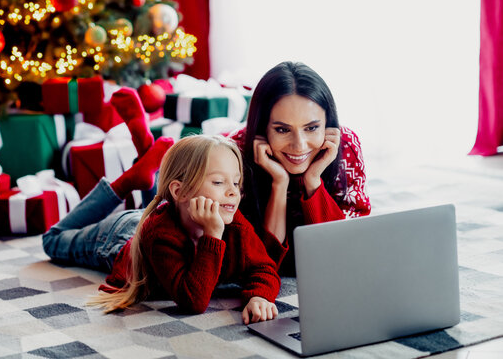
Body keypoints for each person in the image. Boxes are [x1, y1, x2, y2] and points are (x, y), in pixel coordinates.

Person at [43, 89, 280, 323]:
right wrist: (213, 235)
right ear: (179, 191)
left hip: (169, 212)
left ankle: (146, 156)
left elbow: (265, 268)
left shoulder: (232, 218)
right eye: (219, 182)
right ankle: (127, 181)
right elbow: (193, 301)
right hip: (118, 236)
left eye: (237, 182)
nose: (233, 192)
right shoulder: (161, 233)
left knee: (170, 208)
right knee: (53, 239)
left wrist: (259, 295)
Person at [231, 61, 371, 276]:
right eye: (282, 130)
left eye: (312, 128)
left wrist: (313, 180)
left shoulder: (346, 146)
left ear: (328, 122)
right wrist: (279, 183)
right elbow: (260, 263)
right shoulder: (236, 153)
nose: (299, 145)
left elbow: (344, 251)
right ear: (261, 128)